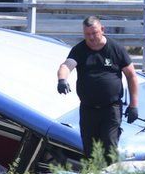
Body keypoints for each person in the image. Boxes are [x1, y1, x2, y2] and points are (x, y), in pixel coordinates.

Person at [56, 16, 140, 164]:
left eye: (94, 33)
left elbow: (131, 76)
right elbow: (67, 65)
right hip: (88, 109)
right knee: (90, 151)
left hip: (111, 108)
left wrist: (134, 105)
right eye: (88, 34)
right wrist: (62, 79)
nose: (92, 38)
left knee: (109, 146)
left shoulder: (116, 49)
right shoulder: (80, 50)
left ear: (102, 30)